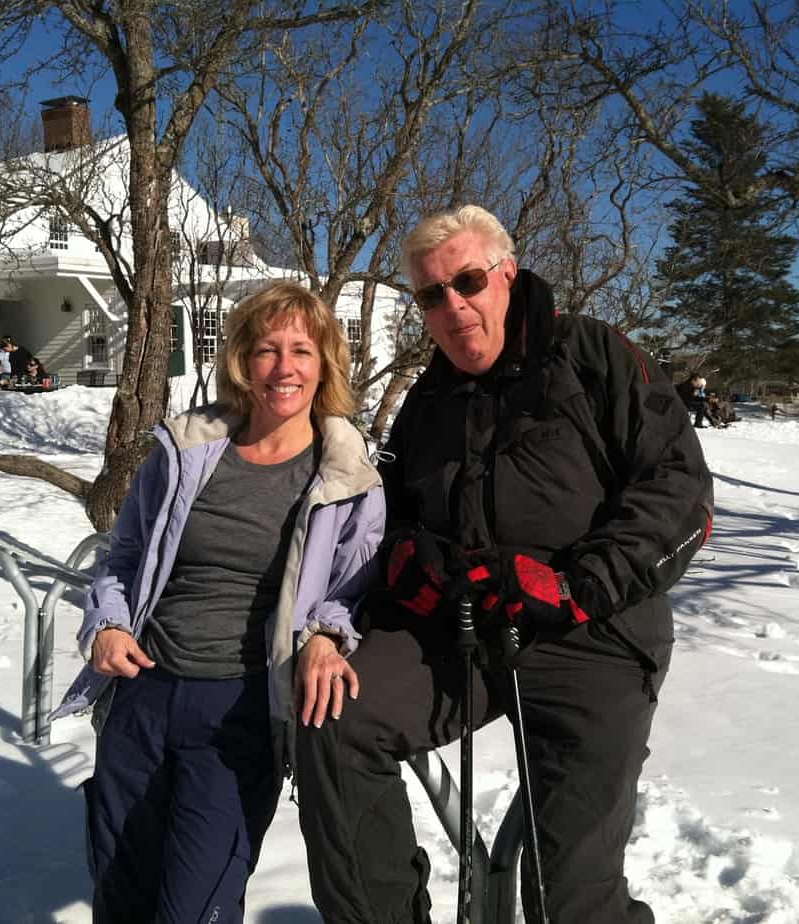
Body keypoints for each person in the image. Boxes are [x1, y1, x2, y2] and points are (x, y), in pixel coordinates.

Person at [296, 205, 713, 924]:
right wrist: (410, 564)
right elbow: (390, 516)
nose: (453, 305)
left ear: (507, 275)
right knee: (335, 719)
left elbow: (679, 494)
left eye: (467, 281)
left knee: (565, 893)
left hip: (593, 636)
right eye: (432, 294)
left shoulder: (595, 356)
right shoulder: (429, 398)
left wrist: (575, 586)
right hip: (466, 630)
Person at [52, 281, 386, 924]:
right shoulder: (185, 452)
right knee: (120, 891)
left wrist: (324, 634)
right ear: (242, 361)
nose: (283, 367)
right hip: (142, 694)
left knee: (197, 904)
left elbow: (349, 590)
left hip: (241, 711)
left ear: (324, 366)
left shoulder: (348, 480)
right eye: (266, 350)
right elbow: (122, 559)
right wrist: (108, 625)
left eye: (301, 351)